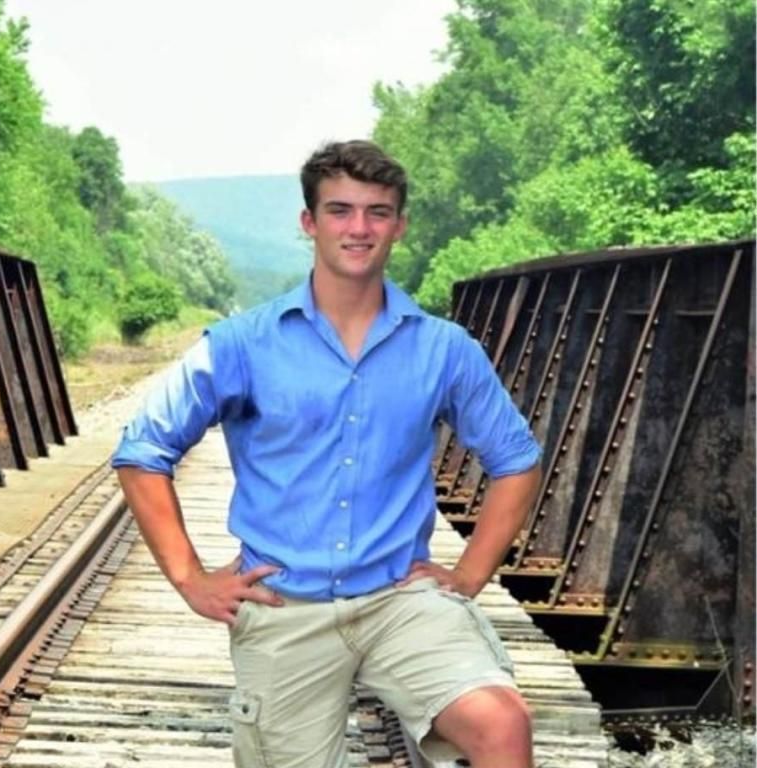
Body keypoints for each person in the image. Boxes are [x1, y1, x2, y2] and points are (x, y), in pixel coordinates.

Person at [112, 139, 542, 768]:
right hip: (284, 606)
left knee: (502, 724)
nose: (359, 228)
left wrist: (471, 572)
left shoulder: (443, 349)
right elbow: (142, 449)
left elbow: (516, 458)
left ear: (400, 224)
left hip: (399, 598)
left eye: (377, 211)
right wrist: (189, 578)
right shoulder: (241, 343)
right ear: (309, 223)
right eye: (340, 211)